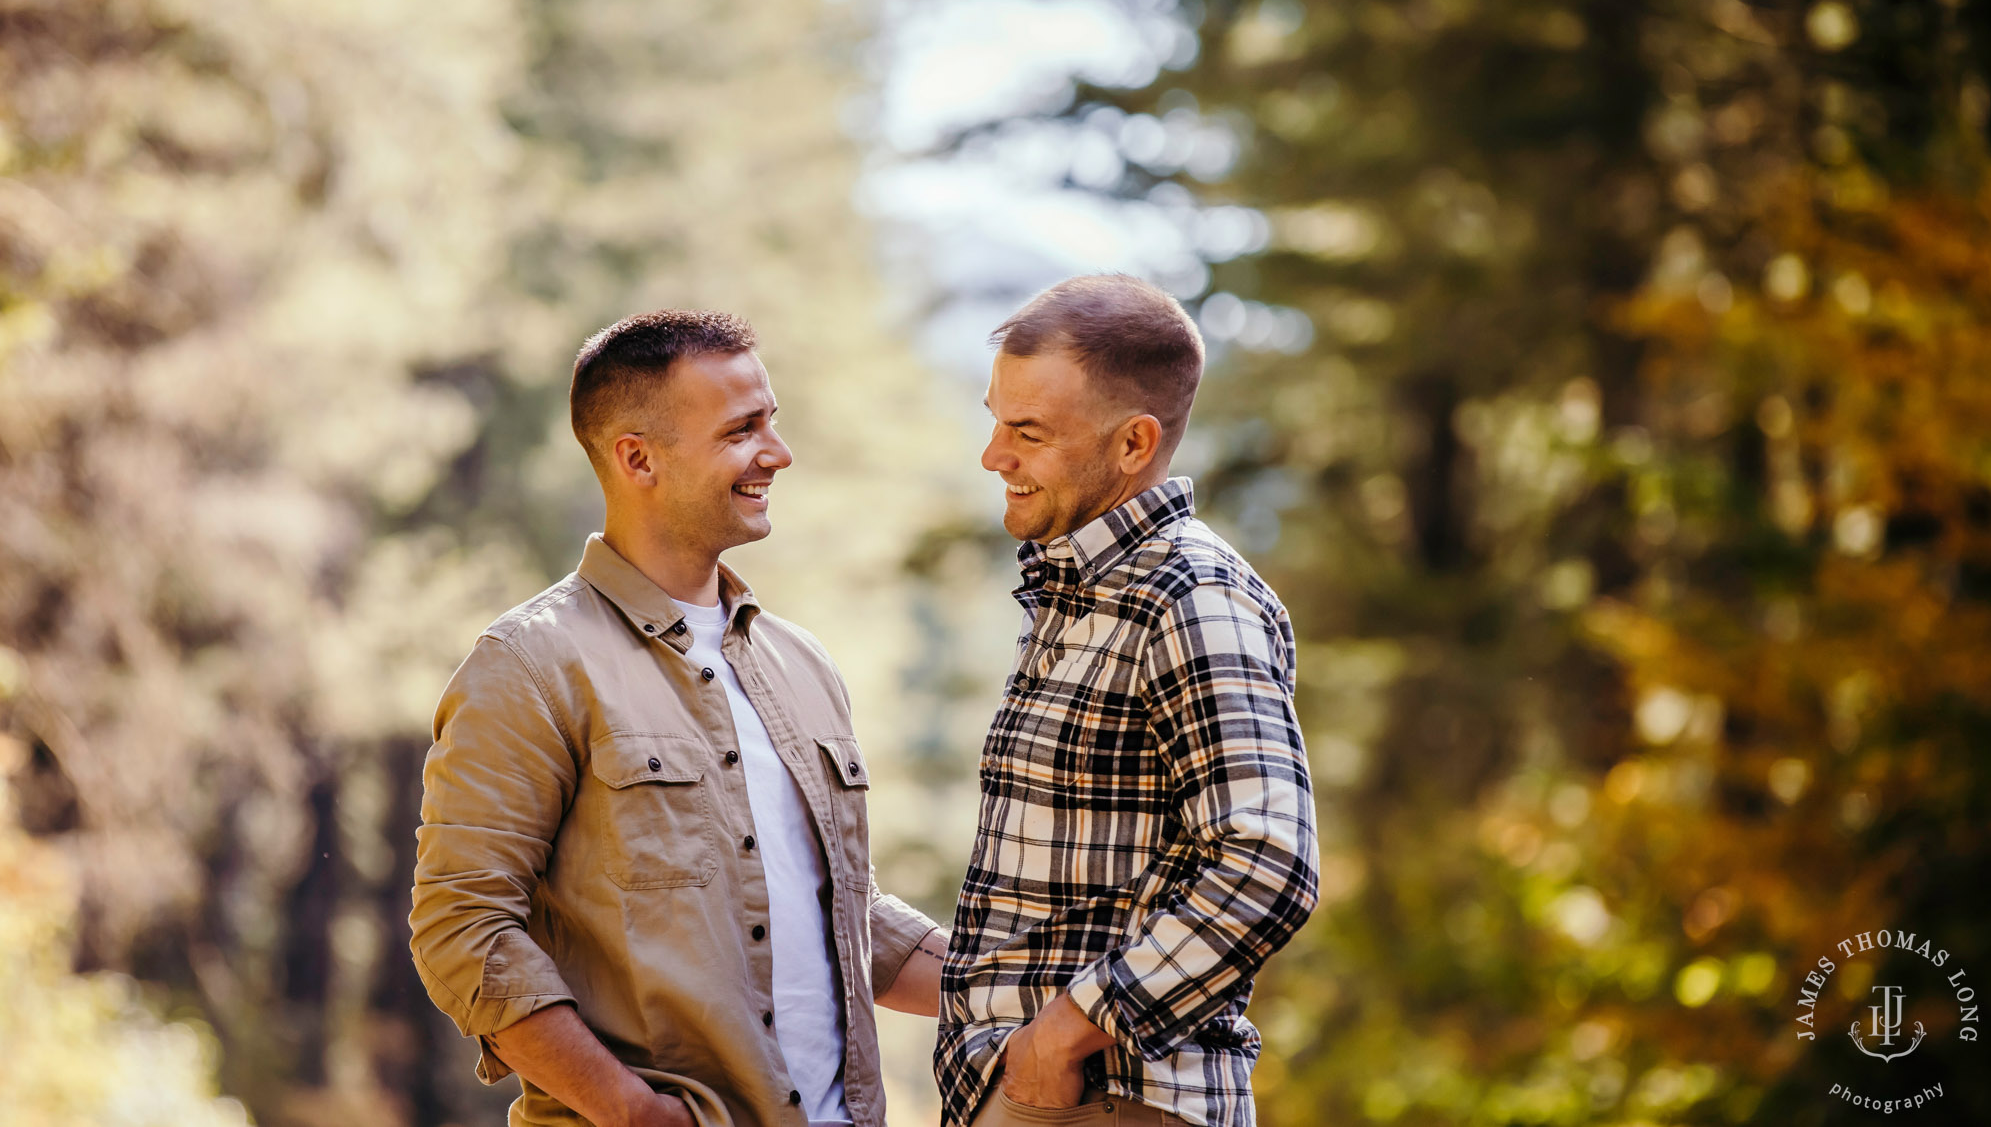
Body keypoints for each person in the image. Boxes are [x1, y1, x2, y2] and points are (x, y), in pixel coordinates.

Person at [410, 309, 947, 1127]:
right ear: (637, 458)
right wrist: (627, 1108)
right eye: (743, 429)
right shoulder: (530, 662)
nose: (778, 451)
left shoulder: (803, 665)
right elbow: (462, 924)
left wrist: (1033, 986)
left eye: (773, 420)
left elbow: (842, 911)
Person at [936, 275, 1319, 1127]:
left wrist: (1070, 1029)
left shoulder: (1188, 595)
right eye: (995, 420)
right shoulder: (1084, 593)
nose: (994, 455)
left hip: (1114, 1100)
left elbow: (1270, 859)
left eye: (1027, 432)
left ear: (1134, 442)